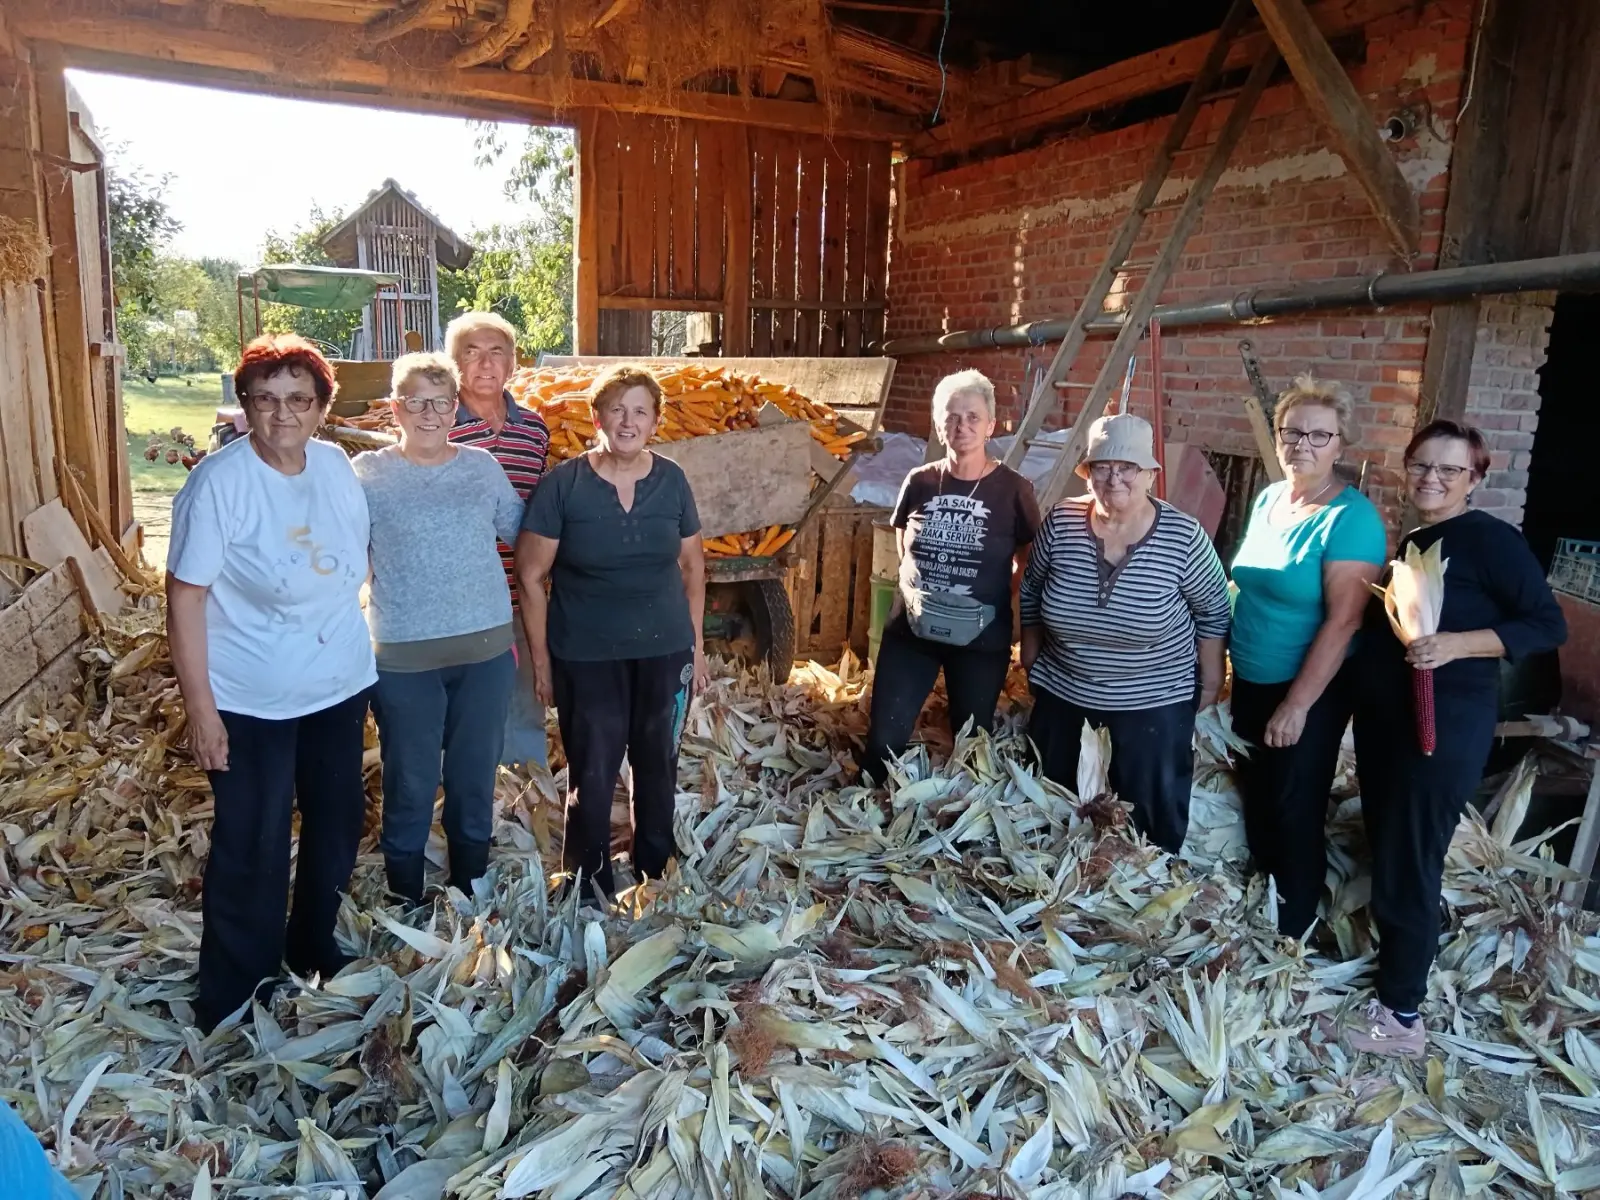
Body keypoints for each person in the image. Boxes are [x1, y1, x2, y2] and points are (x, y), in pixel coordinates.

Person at [166, 334, 374, 1032]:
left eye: (298, 399)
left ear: (321, 407)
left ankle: (312, 945)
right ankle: (234, 994)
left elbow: (353, 562)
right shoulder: (219, 484)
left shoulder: (335, 465)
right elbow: (185, 596)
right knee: (252, 840)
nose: (283, 413)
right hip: (250, 697)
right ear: (246, 405)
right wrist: (202, 711)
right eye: (266, 398)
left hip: (338, 685)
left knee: (336, 825)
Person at [1347, 420, 1565, 1056]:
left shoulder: (1491, 540)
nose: (1432, 478)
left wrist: (1457, 645)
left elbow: (1546, 624)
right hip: (1392, 729)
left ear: (1475, 478)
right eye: (1421, 465)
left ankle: (1400, 1019)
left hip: (1439, 733)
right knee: (1393, 851)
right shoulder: (1419, 538)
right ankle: (1395, 977)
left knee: (1411, 860)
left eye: (1450, 470)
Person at [514, 365, 708, 899]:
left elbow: (694, 567)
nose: (628, 421)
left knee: (658, 765)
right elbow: (530, 576)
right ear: (596, 418)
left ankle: (654, 873)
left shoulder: (672, 480)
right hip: (587, 655)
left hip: (665, 651)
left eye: (640, 411)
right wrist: (543, 663)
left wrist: (697, 647)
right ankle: (587, 882)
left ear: (655, 422)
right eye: (617, 410)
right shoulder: (564, 485)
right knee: (593, 773)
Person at [353, 353, 526, 905]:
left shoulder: (481, 467)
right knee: (410, 778)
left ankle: (468, 889)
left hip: (485, 652)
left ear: (456, 409)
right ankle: (405, 896)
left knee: (474, 777)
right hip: (404, 657)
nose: (429, 413)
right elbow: (340, 550)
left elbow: (525, 536)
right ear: (395, 408)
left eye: (441, 402)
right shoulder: (368, 473)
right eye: (416, 402)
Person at [1020, 412, 1229, 851]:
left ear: (1151, 475)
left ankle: (1149, 874)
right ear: (1088, 474)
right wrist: (1031, 655)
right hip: (1065, 688)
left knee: (1147, 825)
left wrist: (1210, 683)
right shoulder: (1061, 522)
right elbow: (1032, 588)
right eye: (1102, 466)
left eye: (1128, 467)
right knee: (1053, 814)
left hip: (1152, 697)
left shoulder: (1184, 537)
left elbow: (1212, 613)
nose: (1114, 478)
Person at [1228, 375, 1388, 938]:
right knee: (1257, 792)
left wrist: (1296, 705)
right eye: (1292, 432)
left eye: (1320, 436)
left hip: (1307, 687)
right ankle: (1261, 903)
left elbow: (1345, 620)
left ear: (1341, 444)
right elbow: (1244, 584)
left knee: (1293, 804)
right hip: (1251, 675)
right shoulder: (1270, 499)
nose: (1303, 445)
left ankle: (1292, 929)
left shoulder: (1351, 519)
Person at [862, 369, 1040, 783]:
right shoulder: (920, 481)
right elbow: (903, 537)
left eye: (973, 417)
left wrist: (999, 595)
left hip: (980, 636)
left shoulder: (1015, 490)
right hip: (911, 631)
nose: (962, 426)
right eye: (952, 416)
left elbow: (1027, 556)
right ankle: (874, 799)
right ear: (938, 424)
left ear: (990, 425)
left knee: (971, 739)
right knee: (884, 738)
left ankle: (954, 812)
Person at [445, 311, 551, 771]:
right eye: (472, 352)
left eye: (497, 352)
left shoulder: (535, 430)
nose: (486, 364)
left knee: (525, 698)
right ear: (454, 363)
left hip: (520, 591)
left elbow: (540, 509)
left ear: (512, 363)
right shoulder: (438, 426)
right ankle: (467, 790)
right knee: (464, 706)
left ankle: (527, 793)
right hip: (458, 596)